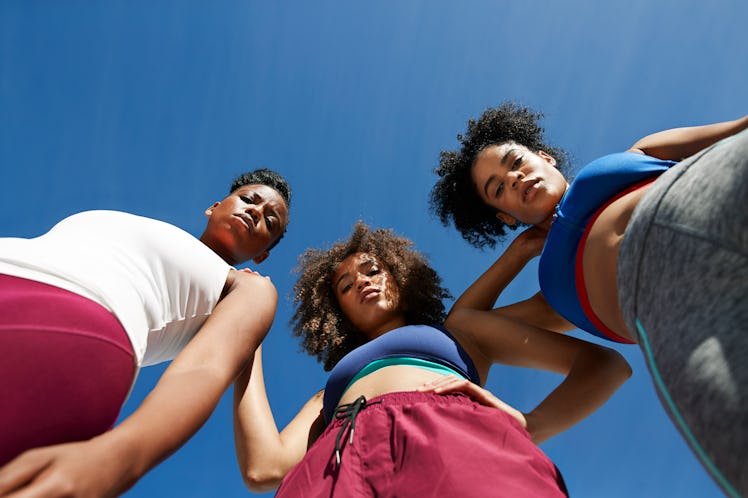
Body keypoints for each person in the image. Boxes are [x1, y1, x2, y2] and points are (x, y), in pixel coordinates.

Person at [430, 103, 748, 497]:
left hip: (709, 195)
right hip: (687, 323)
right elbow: (462, 323)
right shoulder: (554, 297)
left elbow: (738, 129)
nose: (513, 178)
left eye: (515, 161)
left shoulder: (637, 154)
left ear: (544, 158)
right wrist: (517, 255)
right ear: (505, 218)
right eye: (498, 189)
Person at [233, 221, 631, 497]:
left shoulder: (461, 332)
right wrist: (246, 337)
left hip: (450, 435)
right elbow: (265, 468)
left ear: (401, 277)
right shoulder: (328, 393)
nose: (363, 283)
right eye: (346, 287)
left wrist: (531, 423)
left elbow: (602, 362)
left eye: (373, 270)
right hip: (337, 458)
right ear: (338, 315)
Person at [0, 168, 291, 497]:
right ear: (214, 206)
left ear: (262, 254)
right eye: (249, 200)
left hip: (71, 323)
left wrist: (115, 459)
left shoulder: (249, 287)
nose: (255, 212)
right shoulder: (143, 227)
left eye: (270, 221)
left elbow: (207, 367)